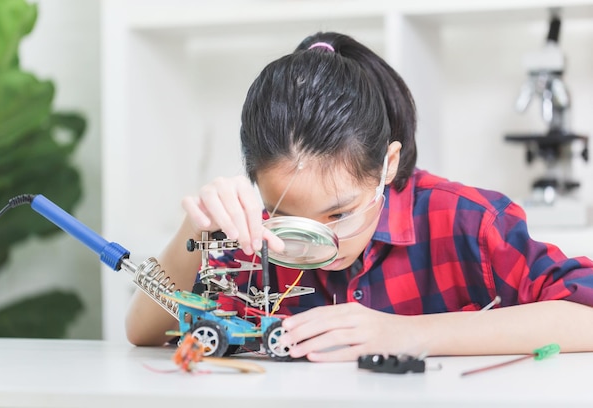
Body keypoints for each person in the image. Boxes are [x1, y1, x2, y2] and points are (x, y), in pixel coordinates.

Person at [125, 32, 593, 362]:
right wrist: (197, 227)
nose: (315, 244)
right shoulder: (256, 236)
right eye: (288, 216)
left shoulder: (467, 221)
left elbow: (585, 315)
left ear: (387, 166)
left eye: (339, 213)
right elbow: (143, 331)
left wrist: (406, 334)